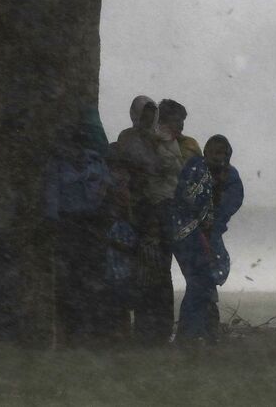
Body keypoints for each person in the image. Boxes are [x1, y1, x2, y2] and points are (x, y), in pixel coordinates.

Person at [43, 122, 115, 347]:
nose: (73, 149)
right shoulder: (57, 165)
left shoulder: (95, 162)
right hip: (68, 224)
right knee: (68, 280)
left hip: (92, 223)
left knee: (91, 277)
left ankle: (89, 331)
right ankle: (69, 332)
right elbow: (52, 195)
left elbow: (107, 186)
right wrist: (53, 222)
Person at [115, 95, 177, 344]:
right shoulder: (127, 138)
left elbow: (167, 168)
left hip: (160, 209)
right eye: (145, 115)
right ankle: (144, 330)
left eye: (153, 116)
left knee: (161, 272)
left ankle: (161, 329)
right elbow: (129, 168)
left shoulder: (159, 139)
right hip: (137, 211)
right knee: (142, 274)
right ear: (136, 115)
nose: (149, 120)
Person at [172, 134, 244, 343]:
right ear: (206, 153)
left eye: (223, 153)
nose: (218, 157)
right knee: (198, 281)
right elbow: (183, 196)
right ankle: (193, 333)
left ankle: (202, 332)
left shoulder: (230, 177)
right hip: (185, 233)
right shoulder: (195, 168)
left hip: (209, 236)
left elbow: (230, 205)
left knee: (204, 281)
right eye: (215, 152)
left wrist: (212, 227)